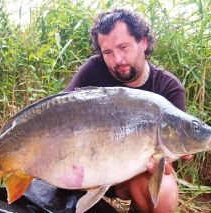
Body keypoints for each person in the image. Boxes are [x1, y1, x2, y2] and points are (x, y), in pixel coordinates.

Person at [64, 8, 192, 213]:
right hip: (83, 165)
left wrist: (164, 163)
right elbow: (59, 113)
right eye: (108, 52)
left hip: (130, 174)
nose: (117, 60)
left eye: (123, 47)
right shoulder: (94, 69)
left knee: (163, 195)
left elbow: (165, 161)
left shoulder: (168, 87)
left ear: (143, 41)